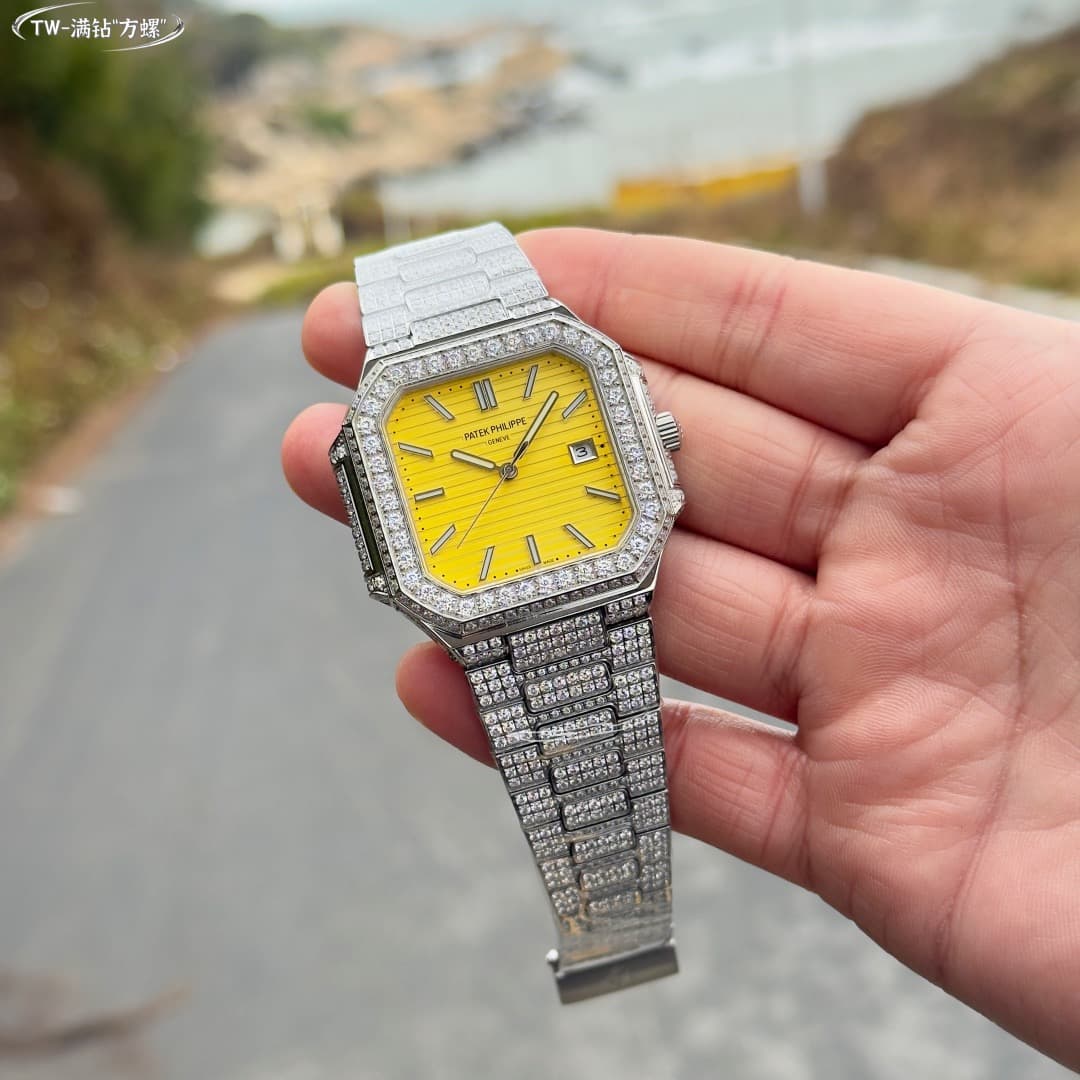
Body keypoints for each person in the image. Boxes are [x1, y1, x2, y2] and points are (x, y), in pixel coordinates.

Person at [281, 229, 1080, 1071]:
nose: (508, 470)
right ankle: (613, 941)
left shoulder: (575, 379)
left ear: (647, 437)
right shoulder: (435, 407)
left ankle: (615, 942)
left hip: (580, 583)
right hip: (516, 602)